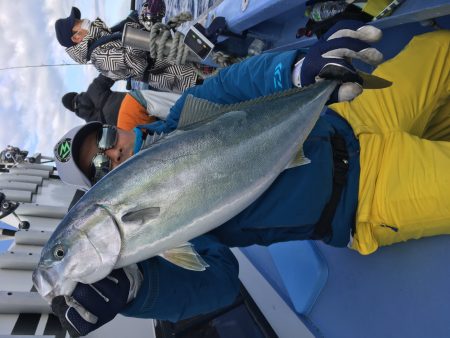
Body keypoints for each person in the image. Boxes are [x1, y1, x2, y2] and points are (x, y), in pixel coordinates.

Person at [51, 21, 450, 336]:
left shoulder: (182, 120)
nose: (112, 152)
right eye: (100, 167)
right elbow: (217, 283)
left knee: (440, 48)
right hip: (365, 194)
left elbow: (236, 84)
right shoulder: (167, 235)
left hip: (350, 114)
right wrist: (139, 291)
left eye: (104, 138)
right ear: (102, 189)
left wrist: (297, 72)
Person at [54, 2, 205, 93]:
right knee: (213, 75)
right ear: (76, 37)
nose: (84, 20)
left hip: (173, 53)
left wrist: (145, 15)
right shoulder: (99, 59)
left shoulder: (102, 37)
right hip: (179, 73)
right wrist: (148, 25)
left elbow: (130, 26)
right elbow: (136, 63)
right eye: (78, 22)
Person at [61, 74, 181, 130]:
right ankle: (191, 104)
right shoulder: (94, 88)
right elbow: (112, 72)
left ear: (73, 110)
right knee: (176, 107)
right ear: (75, 94)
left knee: (167, 128)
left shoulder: (91, 125)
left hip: (131, 128)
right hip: (136, 105)